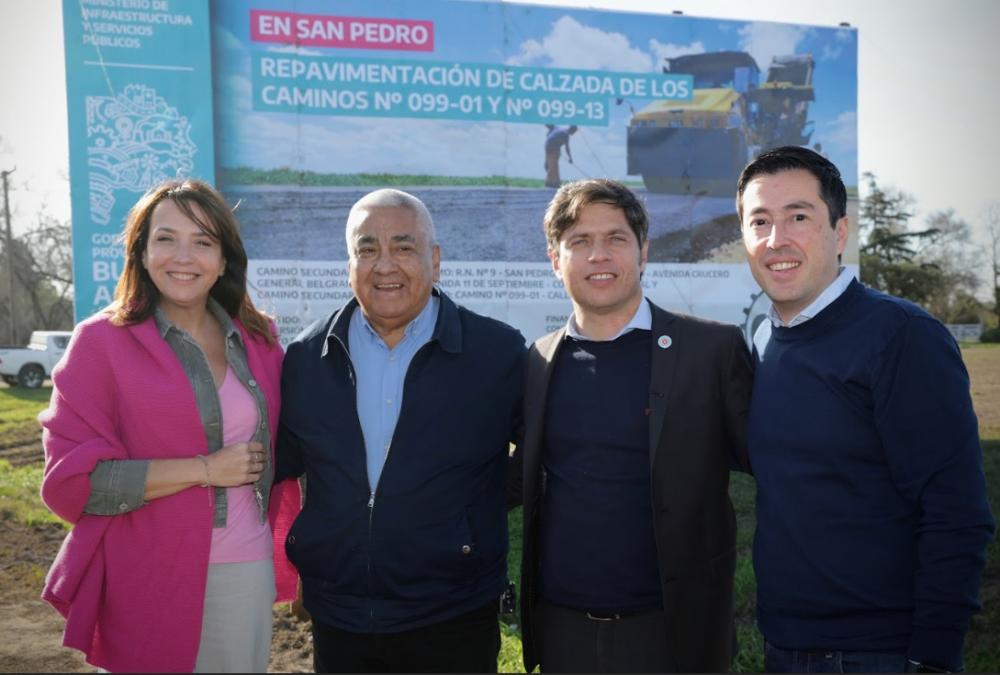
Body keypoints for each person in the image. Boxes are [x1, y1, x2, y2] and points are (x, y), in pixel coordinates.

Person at [737, 146, 995, 673]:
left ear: (840, 232)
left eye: (798, 217)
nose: (776, 239)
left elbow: (956, 511)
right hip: (783, 643)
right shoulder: (765, 339)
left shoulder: (901, 336)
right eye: (759, 221)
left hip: (879, 653)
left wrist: (932, 656)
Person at [38, 178, 301, 673]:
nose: (184, 257)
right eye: (166, 238)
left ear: (223, 259)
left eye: (202, 242)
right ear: (141, 253)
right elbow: (73, 483)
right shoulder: (99, 344)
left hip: (244, 569)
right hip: (144, 570)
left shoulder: (260, 341)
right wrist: (205, 469)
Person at [276, 188, 525, 673]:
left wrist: (466, 511)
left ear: (435, 260)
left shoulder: (496, 353)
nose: (384, 265)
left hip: (454, 615)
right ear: (349, 264)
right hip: (341, 618)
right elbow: (292, 461)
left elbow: (540, 455)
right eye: (367, 249)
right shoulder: (307, 358)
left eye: (403, 247)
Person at [514, 178, 754, 672]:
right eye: (580, 241)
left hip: (673, 632)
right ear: (555, 260)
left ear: (643, 251)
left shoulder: (712, 351)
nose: (598, 255)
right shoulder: (536, 361)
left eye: (615, 238)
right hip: (563, 631)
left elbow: (776, 466)